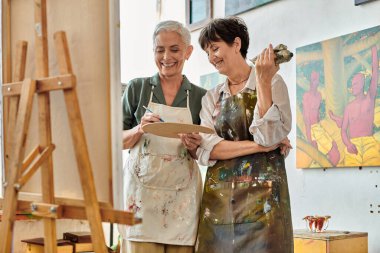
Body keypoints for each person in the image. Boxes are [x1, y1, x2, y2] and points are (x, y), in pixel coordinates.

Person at [195, 17, 293, 253]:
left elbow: (268, 135)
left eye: (215, 48)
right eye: (207, 52)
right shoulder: (211, 98)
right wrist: (261, 148)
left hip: (265, 203)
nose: (211, 58)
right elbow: (210, 149)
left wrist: (262, 80)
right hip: (219, 205)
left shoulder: (273, 82)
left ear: (236, 44)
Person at [121, 20, 207, 253]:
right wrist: (139, 129)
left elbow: (204, 152)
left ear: (188, 52)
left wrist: (193, 146)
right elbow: (115, 140)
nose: (166, 57)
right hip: (141, 202)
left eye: (174, 49)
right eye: (160, 50)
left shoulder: (201, 97)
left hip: (182, 202)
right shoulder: (137, 88)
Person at [330, 45, 379, 166]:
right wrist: (348, 144)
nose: (353, 87)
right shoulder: (349, 107)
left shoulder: (370, 98)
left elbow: (375, 74)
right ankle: (337, 119)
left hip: (369, 143)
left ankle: (337, 119)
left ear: (362, 84)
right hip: (353, 144)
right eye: (352, 85)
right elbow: (343, 131)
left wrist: (374, 52)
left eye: (355, 84)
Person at [302, 70, 340, 166]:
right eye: (314, 79)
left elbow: (317, 113)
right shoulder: (307, 96)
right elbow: (306, 118)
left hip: (319, 127)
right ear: (310, 81)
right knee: (335, 156)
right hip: (312, 129)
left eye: (317, 79)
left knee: (335, 146)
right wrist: (310, 137)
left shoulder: (319, 95)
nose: (316, 82)